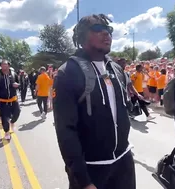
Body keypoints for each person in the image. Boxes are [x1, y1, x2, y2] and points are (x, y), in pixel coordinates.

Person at [53, 14, 136, 189]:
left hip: (124, 163)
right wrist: (82, 179)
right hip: (92, 169)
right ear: (82, 36)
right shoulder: (67, 73)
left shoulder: (117, 68)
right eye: (98, 29)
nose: (107, 33)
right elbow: (65, 131)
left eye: (109, 30)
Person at [0, 60, 20, 140]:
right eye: (2, 65)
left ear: (8, 65)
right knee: (4, 117)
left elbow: (19, 84)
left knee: (17, 112)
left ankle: (12, 122)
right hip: (3, 101)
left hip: (13, 99)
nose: (4, 66)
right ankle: (7, 132)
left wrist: (17, 86)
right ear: (0, 66)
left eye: (6, 64)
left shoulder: (14, 74)